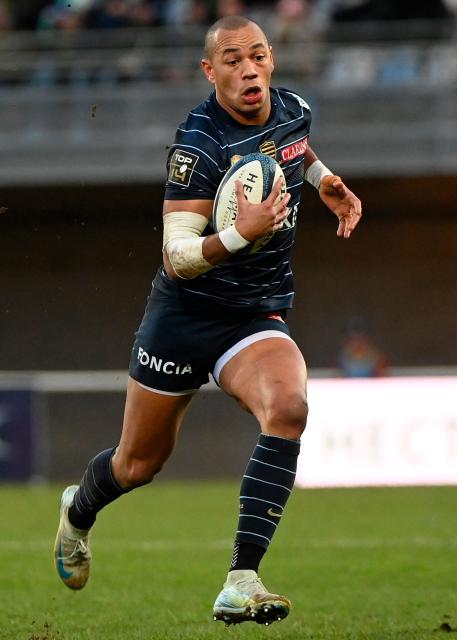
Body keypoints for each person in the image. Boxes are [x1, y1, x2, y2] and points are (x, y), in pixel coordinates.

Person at [53, 15, 362, 626]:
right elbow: (177, 256)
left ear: (271, 58)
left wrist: (324, 180)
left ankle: (241, 579)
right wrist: (238, 234)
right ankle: (78, 511)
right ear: (210, 70)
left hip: (254, 313)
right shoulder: (197, 146)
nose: (249, 70)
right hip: (184, 315)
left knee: (290, 409)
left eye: (258, 56)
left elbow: (292, 151)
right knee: (137, 464)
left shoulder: (294, 107)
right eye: (232, 60)